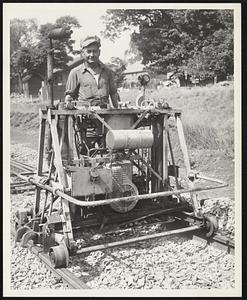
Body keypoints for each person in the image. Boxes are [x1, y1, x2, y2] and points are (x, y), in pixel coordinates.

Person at [64, 35, 120, 109]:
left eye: (95, 51)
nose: (92, 55)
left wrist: (118, 110)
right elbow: (69, 97)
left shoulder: (107, 72)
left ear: (99, 52)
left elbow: (113, 94)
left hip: (105, 115)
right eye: (89, 51)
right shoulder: (75, 73)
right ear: (82, 53)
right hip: (84, 116)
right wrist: (69, 104)